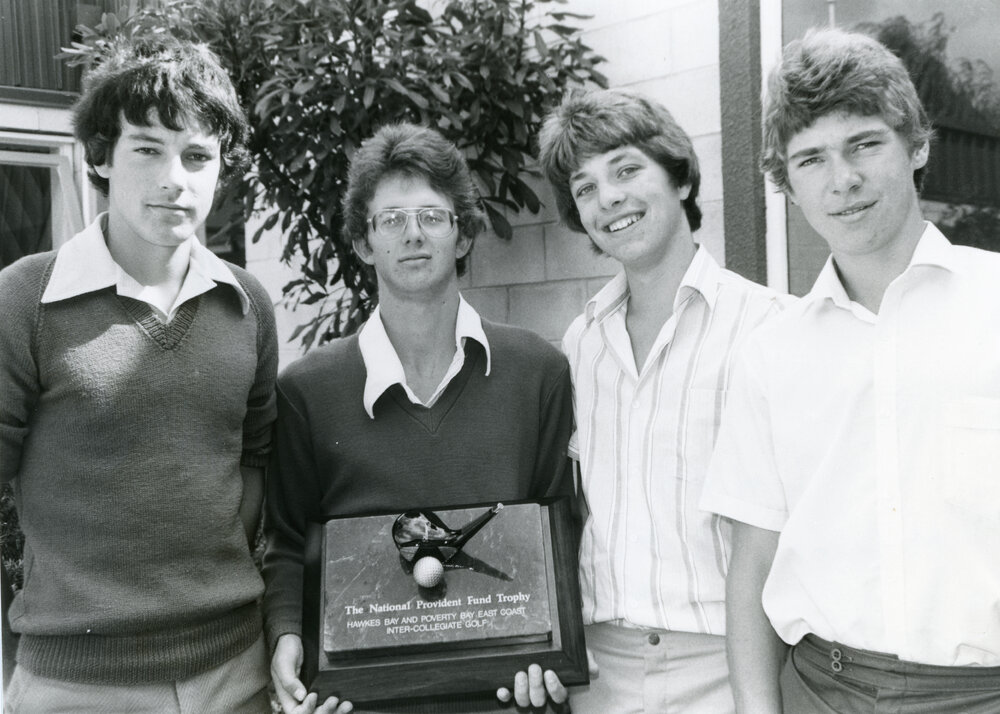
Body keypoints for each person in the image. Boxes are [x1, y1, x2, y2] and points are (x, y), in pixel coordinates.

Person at [700, 27, 1000, 713]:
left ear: (916, 145)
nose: (843, 180)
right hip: (824, 692)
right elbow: (754, 569)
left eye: (864, 143)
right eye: (811, 160)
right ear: (787, 186)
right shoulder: (771, 356)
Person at [0, 37, 278, 713]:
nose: (173, 179)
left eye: (196, 156)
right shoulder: (26, 298)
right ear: (99, 157)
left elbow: (255, 462)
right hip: (75, 683)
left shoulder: (248, 304)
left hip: (234, 672)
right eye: (147, 149)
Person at [262, 122, 574, 714]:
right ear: (362, 243)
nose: (413, 235)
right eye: (391, 220)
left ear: (462, 236)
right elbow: (285, 541)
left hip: (508, 698)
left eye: (432, 216)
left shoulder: (538, 373)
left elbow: (561, 530)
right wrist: (286, 638)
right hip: (363, 703)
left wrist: (556, 654)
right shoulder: (307, 392)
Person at [501, 89, 785, 712]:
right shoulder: (582, 342)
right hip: (603, 671)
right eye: (586, 188)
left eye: (627, 170)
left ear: (679, 178)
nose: (609, 199)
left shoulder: (769, 327)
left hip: (729, 663)